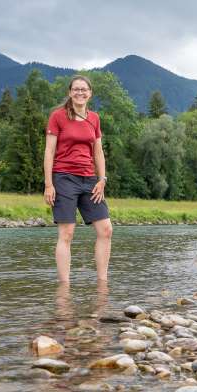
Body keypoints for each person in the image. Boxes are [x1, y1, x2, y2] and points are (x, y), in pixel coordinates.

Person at [43, 75, 113, 283]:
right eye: (76, 89)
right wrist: (48, 184)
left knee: (106, 229)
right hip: (64, 178)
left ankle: (102, 282)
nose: (80, 92)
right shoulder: (58, 116)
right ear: (69, 92)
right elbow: (49, 152)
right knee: (67, 233)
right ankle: (64, 287)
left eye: (84, 89)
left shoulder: (94, 118)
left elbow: (98, 152)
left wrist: (102, 179)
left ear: (90, 93)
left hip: (89, 179)